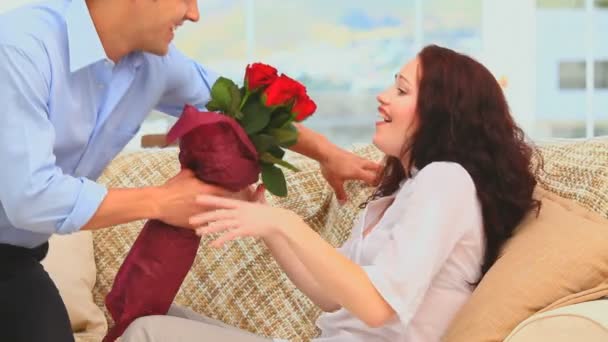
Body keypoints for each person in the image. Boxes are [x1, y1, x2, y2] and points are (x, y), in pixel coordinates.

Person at [0, 0, 380, 341]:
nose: (194, 14)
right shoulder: (20, 48)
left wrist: (328, 154)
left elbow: (241, 107)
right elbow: (31, 198)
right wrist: (162, 201)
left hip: (14, 259)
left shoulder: (154, 65)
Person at [121, 44, 544, 342]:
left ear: (441, 110)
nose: (382, 96)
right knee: (149, 317)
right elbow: (332, 297)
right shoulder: (404, 192)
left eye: (400, 90)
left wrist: (283, 222)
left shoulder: (447, 182)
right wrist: (269, 228)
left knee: (144, 334)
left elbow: (378, 306)